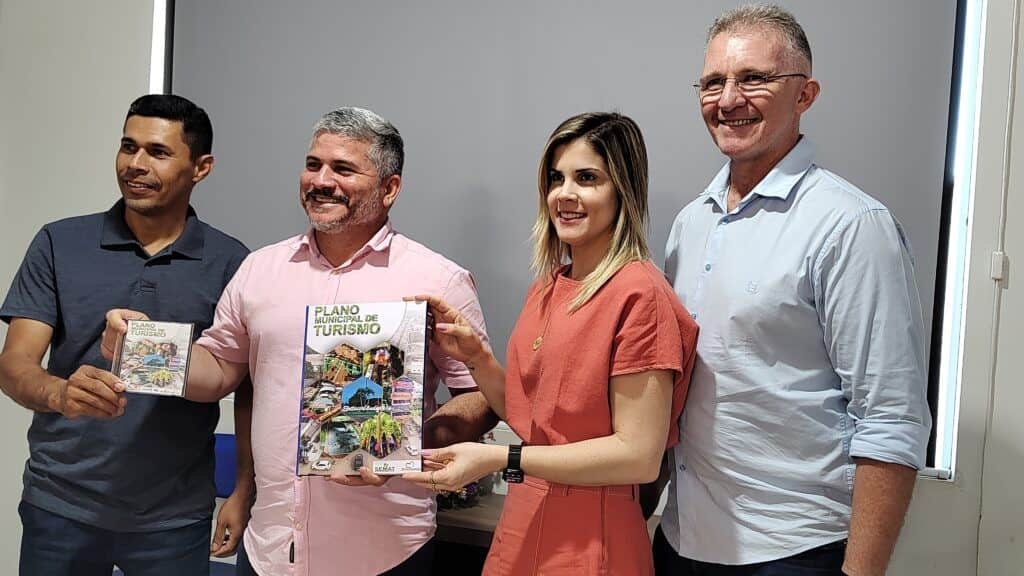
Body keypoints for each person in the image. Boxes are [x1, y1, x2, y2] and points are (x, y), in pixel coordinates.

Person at [102, 106, 497, 576]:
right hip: (270, 545)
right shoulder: (260, 269)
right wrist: (135, 347)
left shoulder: (439, 280)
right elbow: (219, 369)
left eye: (343, 169)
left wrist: (400, 446)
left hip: (384, 551)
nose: (321, 181)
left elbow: (481, 397)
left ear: (389, 188)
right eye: (313, 165)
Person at [653, 5, 932, 575]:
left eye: (753, 78)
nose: (728, 99)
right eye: (713, 83)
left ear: (805, 94)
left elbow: (890, 418)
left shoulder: (850, 226)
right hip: (682, 541)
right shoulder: (691, 223)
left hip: (794, 551)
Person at [404, 112, 698, 575]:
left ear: (623, 190)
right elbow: (534, 419)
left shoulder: (641, 295)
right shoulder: (547, 287)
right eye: (556, 178)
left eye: (587, 178)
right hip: (524, 521)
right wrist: (477, 359)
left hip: (591, 536)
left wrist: (499, 457)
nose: (565, 193)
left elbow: (638, 456)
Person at [0, 94, 249, 575]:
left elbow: (245, 386)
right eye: (128, 146)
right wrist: (60, 394)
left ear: (201, 168)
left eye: (158, 152)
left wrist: (243, 489)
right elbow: (14, 365)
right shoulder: (59, 242)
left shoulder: (232, 262)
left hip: (174, 519)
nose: (135, 164)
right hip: (60, 505)